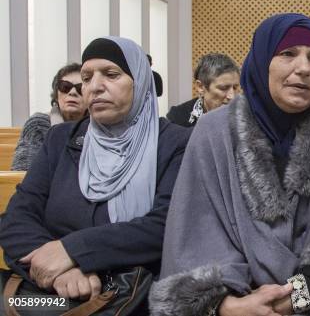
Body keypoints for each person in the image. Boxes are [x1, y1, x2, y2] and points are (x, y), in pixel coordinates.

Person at [149, 13, 310, 316]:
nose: (304, 68)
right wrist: (231, 307)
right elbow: (195, 239)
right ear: (261, 61)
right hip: (233, 302)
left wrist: (288, 301)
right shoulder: (213, 132)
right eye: (288, 54)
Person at [0, 36, 190, 311]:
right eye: (87, 78)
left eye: (111, 75)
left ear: (140, 82)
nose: (95, 87)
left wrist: (73, 252)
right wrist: (62, 271)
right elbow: (17, 217)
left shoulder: (175, 143)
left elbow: (165, 225)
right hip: (51, 293)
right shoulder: (61, 139)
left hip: (133, 296)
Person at [11, 63, 88, 171]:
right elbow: (23, 171)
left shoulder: (98, 127)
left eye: (80, 88)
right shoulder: (38, 124)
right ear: (56, 94)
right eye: (65, 87)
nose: (72, 92)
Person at [166, 53, 240, 127]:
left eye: (235, 88)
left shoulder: (246, 116)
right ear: (200, 87)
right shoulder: (177, 118)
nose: (232, 96)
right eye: (223, 88)